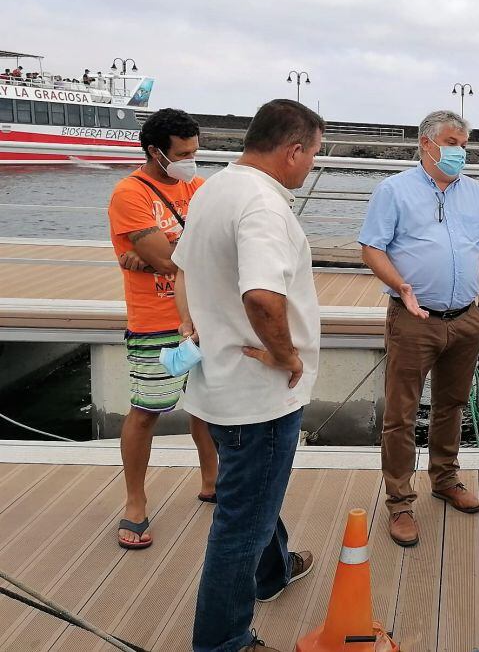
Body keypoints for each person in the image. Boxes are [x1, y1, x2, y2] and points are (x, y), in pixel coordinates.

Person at [174, 99, 325, 652]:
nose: (311, 164)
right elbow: (262, 296)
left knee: (254, 488)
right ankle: (224, 641)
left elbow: (183, 266)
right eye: (312, 153)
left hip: (218, 382)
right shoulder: (264, 206)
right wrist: (287, 355)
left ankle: (273, 570)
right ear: (292, 150)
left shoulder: (216, 187)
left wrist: (193, 325)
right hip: (258, 395)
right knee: (241, 523)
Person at [359, 110, 479, 547]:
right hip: (414, 319)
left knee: (452, 404)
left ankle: (445, 478)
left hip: (465, 319)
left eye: (464, 144)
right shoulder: (394, 191)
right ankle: (400, 502)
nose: (461, 151)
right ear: (427, 143)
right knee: (401, 415)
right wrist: (399, 286)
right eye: (454, 142)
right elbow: (371, 248)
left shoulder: (477, 193)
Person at [106, 108, 218, 550]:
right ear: (156, 151)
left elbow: (216, 245)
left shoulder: (198, 187)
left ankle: (212, 480)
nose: (192, 160)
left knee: (208, 407)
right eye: (184, 153)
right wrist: (167, 251)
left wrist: (158, 249)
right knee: (147, 411)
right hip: (155, 321)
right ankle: (135, 503)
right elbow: (173, 261)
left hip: (205, 315)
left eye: (195, 151)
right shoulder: (129, 194)